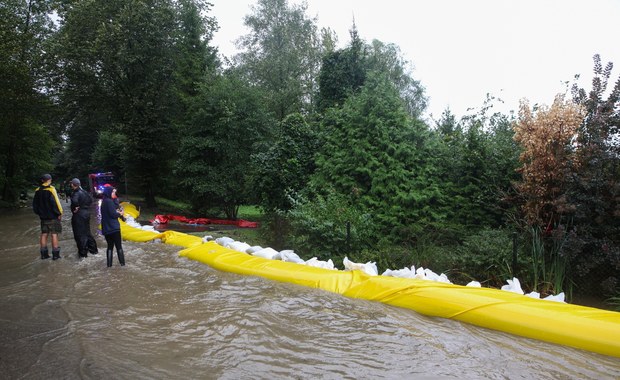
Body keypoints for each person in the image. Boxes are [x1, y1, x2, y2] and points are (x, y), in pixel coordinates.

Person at [32, 174, 63, 260]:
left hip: (43, 217)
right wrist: (60, 213)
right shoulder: (51, 189)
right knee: (54, 234)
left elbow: (35, 205)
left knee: (44, 234)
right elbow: (56, 202)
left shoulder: (37, 190)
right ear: (50, 180)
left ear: (42, 180)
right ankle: (56, 255)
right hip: (53, 216)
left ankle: (44, 254)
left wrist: (39, 213)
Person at [70, 178, 98, 258]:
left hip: (79, 215)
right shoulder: (85, 192)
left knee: (79, 234)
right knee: (87, 232)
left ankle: (83, 254)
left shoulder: (76, 193)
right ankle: (93, 250)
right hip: (86, 214)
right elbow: (91, 200)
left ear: (73, 184)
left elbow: (74, 201)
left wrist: (76, 207)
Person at [101, 186, 125, 267]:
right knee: (119, 247)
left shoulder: (104, 202)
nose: (114, 194)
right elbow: (113, 214)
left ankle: (109, 265)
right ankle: (122, 265)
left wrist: (114, 198)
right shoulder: (109, 202)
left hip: (106, 229)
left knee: (110, 247)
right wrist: (120, 214)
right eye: (113, 192)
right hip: (114, 228)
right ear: (109, 193)